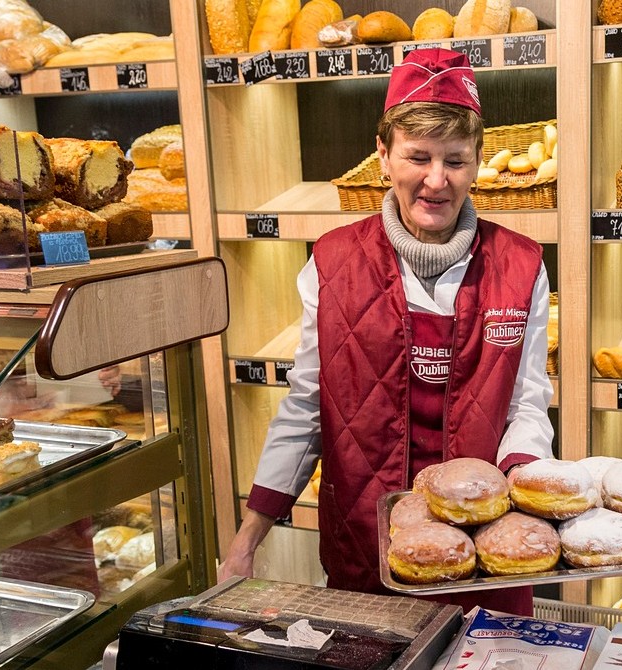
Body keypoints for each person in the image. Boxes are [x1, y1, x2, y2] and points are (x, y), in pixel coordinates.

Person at [219, 48, 555, 615]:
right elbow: (307, 409)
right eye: (417, 157)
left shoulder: (521, 265)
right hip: (367, 549)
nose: (437, 180)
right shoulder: (332, 262)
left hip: (483, 559)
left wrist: (516, 489)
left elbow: (527, 403)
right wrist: (246, 542)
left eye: (456, 159)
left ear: (477, 160)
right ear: (383, 154)